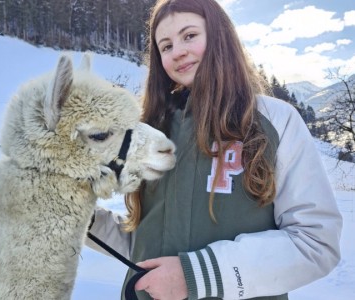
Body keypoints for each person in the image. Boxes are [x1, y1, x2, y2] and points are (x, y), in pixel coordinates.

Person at [86, 0, 342, 299]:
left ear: (219, 36)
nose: (178, 51)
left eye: (189, 36)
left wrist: (195, 275)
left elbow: (314, 241)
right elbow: (145, 243)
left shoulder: (274, 120)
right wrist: (82, 218)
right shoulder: (152, 132)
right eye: (165, 46)